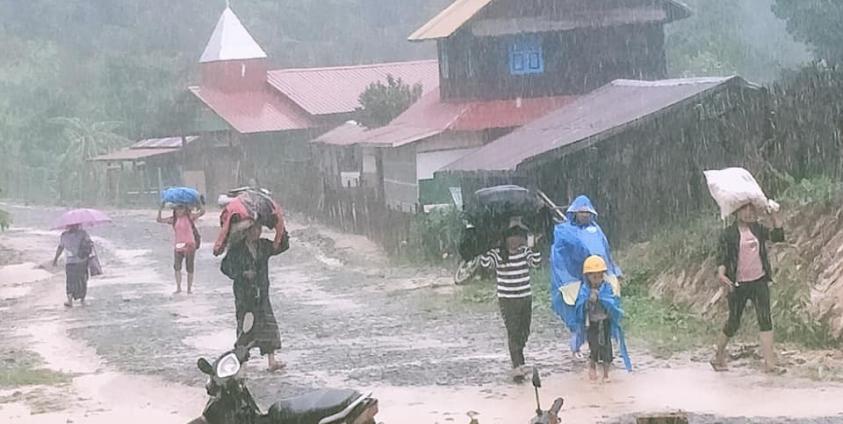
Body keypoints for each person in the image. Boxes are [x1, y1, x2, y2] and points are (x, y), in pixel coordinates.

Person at [711, 203, 784, 373]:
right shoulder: (728, 234)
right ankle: (718, 355)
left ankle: (769, 364)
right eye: (744, 209)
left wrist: (773, 215)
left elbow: (778, 236)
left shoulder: (758, 229)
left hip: (759, 281)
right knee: (734, 321)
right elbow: (722, 257)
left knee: (765, 319)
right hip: (738, 284)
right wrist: (721, 275)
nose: (748, 213)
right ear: (736, 211)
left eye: (751, 209)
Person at [550, 195, 622, 358]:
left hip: (600, 278)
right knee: (580, 314)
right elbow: (561, 256)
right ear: (574, 212)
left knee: (604, 313)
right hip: (576, 280)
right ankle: (577, 348)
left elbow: (606, 254)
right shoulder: (565, 231)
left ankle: (604, 350)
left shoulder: (597, 231)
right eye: (581, 212)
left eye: (587, 212)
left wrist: (615, 272)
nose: (584, 215)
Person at [479, 224, 542, 382]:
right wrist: (484, 249)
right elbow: (486, 265)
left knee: (524, 331)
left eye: (519, 238)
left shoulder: (525, 252)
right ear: (506, 239)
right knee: (513, 331)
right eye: (513, 238)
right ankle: (517, 365)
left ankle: (518, 360)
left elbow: (536, 263)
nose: (516, 241)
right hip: (507, 299)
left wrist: (534, 246)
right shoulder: (497, 254)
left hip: (525, 297)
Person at [221, 223, 287, 372]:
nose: (257, 232)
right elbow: (225, 267)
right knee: (245, 329)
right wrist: (242, 274)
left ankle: (272, 361)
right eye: (254, 229)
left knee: (268, 326)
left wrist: (280, 226)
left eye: (259, 229)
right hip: (244, 296)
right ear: (246, 231)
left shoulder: (263, 246)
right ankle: (242, 364)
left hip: (261, 294)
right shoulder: (237, 249)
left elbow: (282, 246)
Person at [574, 256, 632, 382]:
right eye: (594, 276)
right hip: (592, 323)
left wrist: (601, 299)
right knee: (593, 346)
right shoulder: (585, 290)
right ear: (587, 276)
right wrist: (589, 301)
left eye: (600, 276)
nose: (597, 279)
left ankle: (606, 374)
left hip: (605, 321)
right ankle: (592, 366)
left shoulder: (606, 288)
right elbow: (580, 306)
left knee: (606, 347)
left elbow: (612, 302)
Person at [157, 203, 204, 294]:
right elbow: (159, 220)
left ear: (185, 209)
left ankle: (189, 289)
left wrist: (199, 202)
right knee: (177, 267)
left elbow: (202, 212)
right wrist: (160, 209)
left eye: (181, 209)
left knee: (189, 267)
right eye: (177, 209)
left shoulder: (190, 217)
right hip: (179, 245)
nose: (179, 211)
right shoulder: (174, 219)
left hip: (190, 245)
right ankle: (178, 288)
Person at [52, 224, 93, 307]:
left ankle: (70, 301)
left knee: (70, 281)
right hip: (82, 260)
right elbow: (89, 244)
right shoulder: (83, 233)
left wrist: (55, 259)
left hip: (70, 262)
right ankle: (82, 300)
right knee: (82, 280)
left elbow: (60, 247)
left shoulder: (64, 235)